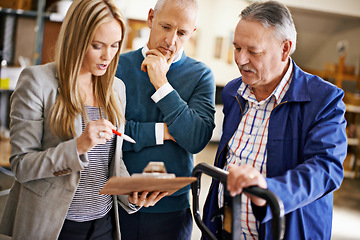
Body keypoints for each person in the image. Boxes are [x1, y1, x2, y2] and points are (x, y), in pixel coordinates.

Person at [0, 0, 166, 239]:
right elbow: (21, 166)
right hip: (55, 225)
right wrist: (78, 147)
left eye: (115, 45)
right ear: (76, 40)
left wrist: (131, 191)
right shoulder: (37, 82)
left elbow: (112, 160)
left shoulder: (116, 88)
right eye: (97, 45)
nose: (107, 56)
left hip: (104, 225)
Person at [203, 1, 347, 239]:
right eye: (237, 47)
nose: (240, 59)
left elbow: (326, 168)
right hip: (226, 229)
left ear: (285, 49)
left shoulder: (324, 99)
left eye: (253, 51)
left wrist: (269, 191)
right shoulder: (232, 92)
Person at [115, 0, 216, 239]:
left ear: (192, 32)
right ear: (151, 18)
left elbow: (195, 138)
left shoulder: (201, 75)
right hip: (117, 203)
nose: (171, 41)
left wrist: (162, 85)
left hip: (173, 211)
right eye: (165, 27)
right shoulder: (117, 66)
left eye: (181, 33)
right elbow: (109, 134)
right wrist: (166, 132)